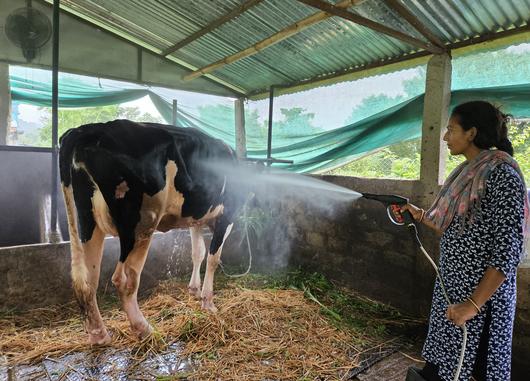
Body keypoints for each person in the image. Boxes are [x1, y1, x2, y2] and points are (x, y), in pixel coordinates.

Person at [402, 101, 529, 381]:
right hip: (454, 291)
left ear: (471, 133)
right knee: (442, 365)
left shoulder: (502, 176)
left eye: (450, 130)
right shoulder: (465, 173)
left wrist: (472, 305)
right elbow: (454, 227)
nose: (446, 137)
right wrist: (420, 215)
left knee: (478, 371)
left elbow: (508, 252)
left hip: (481, 304)